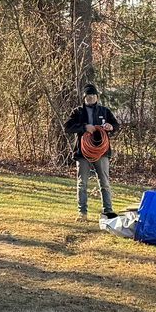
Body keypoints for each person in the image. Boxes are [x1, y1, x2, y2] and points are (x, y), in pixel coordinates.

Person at [63, 83, 119, 220]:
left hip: (102, 152)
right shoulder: (77, 112)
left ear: (97, 97)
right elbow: (68, 127)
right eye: (88, 96)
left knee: (104, 182)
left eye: (93, 95)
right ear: (84, 98)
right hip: (83, 153)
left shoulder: (104, 111)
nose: (90, 98)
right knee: (82, 183)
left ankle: (108, 212)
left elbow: (116, 125)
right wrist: (84, 127)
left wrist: (110, 127)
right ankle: (82, 213)